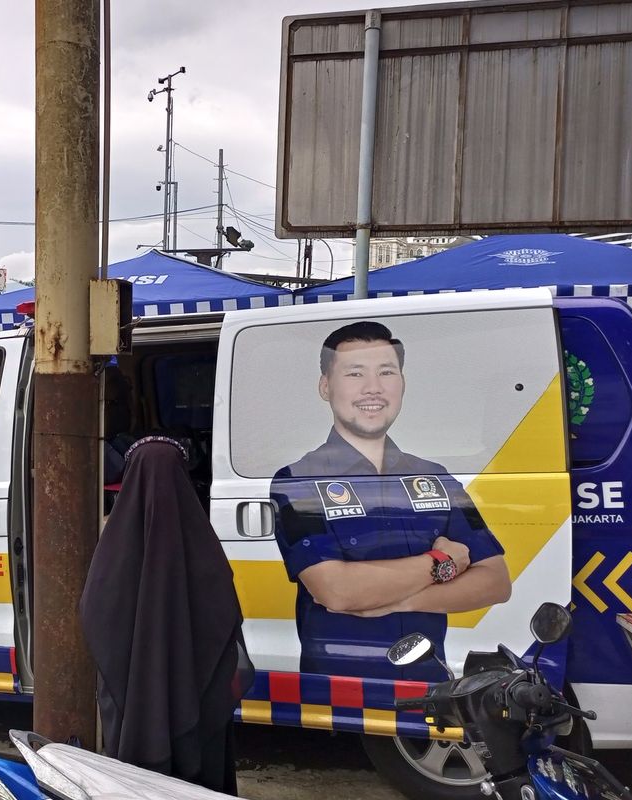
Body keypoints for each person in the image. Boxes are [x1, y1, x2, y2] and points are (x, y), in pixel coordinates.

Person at [270, 320, 511, 680]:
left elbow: (495, 581)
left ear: (402, 384)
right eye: (355, 374)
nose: (373, 388)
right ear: (326, 387)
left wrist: (401, 600)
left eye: (386, 372)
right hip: (342, 686)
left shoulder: (435, 478)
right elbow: (337, 592)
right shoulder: (297, 482)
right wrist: (443, 561)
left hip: (429, 683)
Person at [81, 437, 252, 795]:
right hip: (198, 699)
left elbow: (95, 615)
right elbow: (227, 621)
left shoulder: (113, 549)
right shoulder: (203, 545)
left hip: (133, 703)